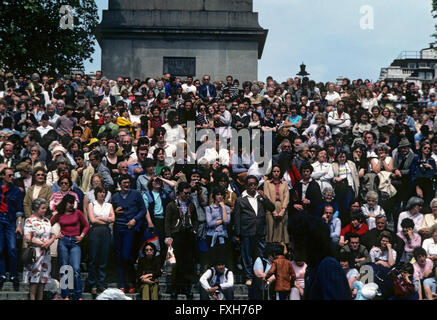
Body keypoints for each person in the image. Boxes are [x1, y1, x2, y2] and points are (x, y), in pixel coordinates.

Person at [288, 214, 352, 300]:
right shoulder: (313, 268)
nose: (290, 246)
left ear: (306, 242)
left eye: (293, 240)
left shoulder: (328, 266)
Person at [234, 175, 275, 286]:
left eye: (254, 184)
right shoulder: (240, 200)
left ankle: (260, 276)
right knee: (247, 255)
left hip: (260, 231)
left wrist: (265, 197)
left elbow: (272, 208)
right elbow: (237, 218)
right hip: (246, 231)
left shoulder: (260, 198)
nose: (253, 186)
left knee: (260, 255)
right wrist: (237, 234)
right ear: (246, 185)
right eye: (250, 184)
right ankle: (249, 277)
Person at [111, 174, 148, 293]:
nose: (126, 185)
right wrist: (115, 212)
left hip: (130, 229)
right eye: (124, 183)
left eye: (128, 183)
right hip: (118, 228)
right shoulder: (115, 196)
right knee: (119, 257)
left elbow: (143, 210)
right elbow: (110, 212)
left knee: (127, 256)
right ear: (120, 184)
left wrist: (134, 220)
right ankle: (122, 283)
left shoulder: (136, 194)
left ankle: (131, 281)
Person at [50, 194, 89, 300]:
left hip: (75, 242)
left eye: (73, 203)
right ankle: (65, 294)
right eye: (69, 203)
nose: (72, 205)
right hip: (63, 241)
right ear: (65, 203)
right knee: (64, 268)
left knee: (76, 268)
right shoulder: (59, 214)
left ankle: (78, 294)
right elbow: (49, 224)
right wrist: (55, 235)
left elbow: (86, 225)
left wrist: (81, 236)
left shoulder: (78, 213)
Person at [165, 182, 198, 299]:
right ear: (179, 192)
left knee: (188, 263)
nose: (187, 195)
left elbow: (195, 220)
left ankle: (187, 288)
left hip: (188, 236)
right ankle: (175, 288)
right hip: (176, 236)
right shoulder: (171, 205)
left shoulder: (191, 205)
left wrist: (194, 230)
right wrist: (168, 237)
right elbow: (167, 222)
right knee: (176, 264)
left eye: (189, 193)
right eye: (185, 193)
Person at [23, 198, 55, 300]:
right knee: (34, 279)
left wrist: (49, 242)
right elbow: (28, 237)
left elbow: (53, 235)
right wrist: (41, 243)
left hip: (46, 253)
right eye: (42, 208)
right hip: (35, 253)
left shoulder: (47, 220)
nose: (45, 210)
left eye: (45, 208)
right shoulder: (29, 220)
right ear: (36, 208)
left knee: (43, 279)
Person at [87, 185, 115, 294]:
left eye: (103, 192)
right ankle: (92, 284)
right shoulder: (91, 204)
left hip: (106, 232)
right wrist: (106, 220)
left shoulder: (109, 205)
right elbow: (92, 220)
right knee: (93, 258)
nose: (102, 194)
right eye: (100, 192)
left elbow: (113, 219)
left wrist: (101, 218)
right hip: (95, 231)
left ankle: (101, 283)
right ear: (96, 193)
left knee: (104, 258)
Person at [0, 167, 24, 291]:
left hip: (10, 220)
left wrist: (19, 224)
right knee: (0, 248)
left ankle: (14, 275)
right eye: (9, 175)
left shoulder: (16, 191)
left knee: (12, 248)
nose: (12, 177)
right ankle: (2, 274)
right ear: (3, 176)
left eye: (13, 175)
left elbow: (19, 209)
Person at [263, 165, 290, 244]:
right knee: (271, 230)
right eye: (274, 171)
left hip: (282, 207)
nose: (276, 173)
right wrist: (273, 210)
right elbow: (267, 196)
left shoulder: (284, 183)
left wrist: (283, 210)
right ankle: (271, 252)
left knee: (282, 230)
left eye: (278, 171)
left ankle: (282, 251)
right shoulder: (267, 183)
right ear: (271, 173)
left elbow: (286, 197)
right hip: (271, 207)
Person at [205, 187, 231, 266]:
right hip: (211, 235)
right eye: (218, 194)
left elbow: (227, 221)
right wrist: (221, 220)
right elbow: (209, 223)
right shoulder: (209, 208)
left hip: (222, 235)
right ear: (214, 196)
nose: (220, 196)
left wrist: (223, 207)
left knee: (222, 259)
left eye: (221, 195)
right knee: (212, 259)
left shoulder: (226, 208)